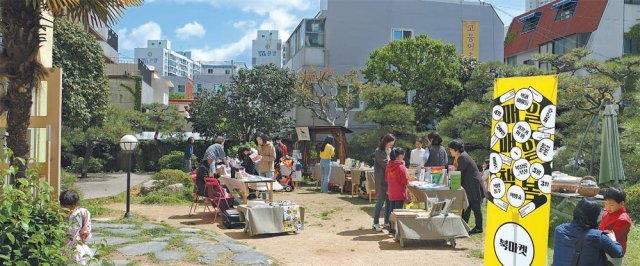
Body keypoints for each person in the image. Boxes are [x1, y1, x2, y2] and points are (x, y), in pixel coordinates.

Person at [553, 199, 624, 265]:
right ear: (595, 216)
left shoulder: (559, 230)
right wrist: (614, 240)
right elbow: (618, 253)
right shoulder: (597, 236)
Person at [448, 139, 484, 234]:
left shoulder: (462, 157)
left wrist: (452, 184)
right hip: (471, 185)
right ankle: (464, 227)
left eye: (451, 149)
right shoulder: (463, 156)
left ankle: (478, 228)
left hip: (473, 186)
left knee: (475, 207)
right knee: (467, 207)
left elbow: (460, 174)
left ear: (456, 150)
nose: (450, 151)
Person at [599, 188, 632, 266]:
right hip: (602, 245)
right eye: (606, 204)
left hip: (614, 250)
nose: (607, 208)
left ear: (621, 204)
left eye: (611, 205)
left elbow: (613, 237)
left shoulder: (623, 220)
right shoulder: (608, 213)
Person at [60, 190, 93, 265]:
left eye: (71, 207)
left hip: (78, 249)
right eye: (65, 207)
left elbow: (87, 229)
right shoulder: (59, 215)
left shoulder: (83, 213)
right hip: (63, 250)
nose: (69, 210)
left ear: (76, 204)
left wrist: (85, 234)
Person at [373, 134, 395, 232]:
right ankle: (375, 223)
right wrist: (397, 166)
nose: (391, 146)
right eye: (390, 144)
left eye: (392, 145)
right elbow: (385, 164)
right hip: (381, 179)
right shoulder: (378, 151)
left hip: (389, 179)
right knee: (380, 201)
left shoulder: (389, 151)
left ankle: (386, 222)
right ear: (386, 142)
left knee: (389, 202)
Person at [385, 148, 409, 234]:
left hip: (391, 191)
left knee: (392, 211)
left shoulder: (389, 165)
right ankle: (397, 231)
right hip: (399, 192)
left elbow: (386, 179)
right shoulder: (401, 166)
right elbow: (405, 180)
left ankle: (392, 228)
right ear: (400, 156)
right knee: (398, 211)